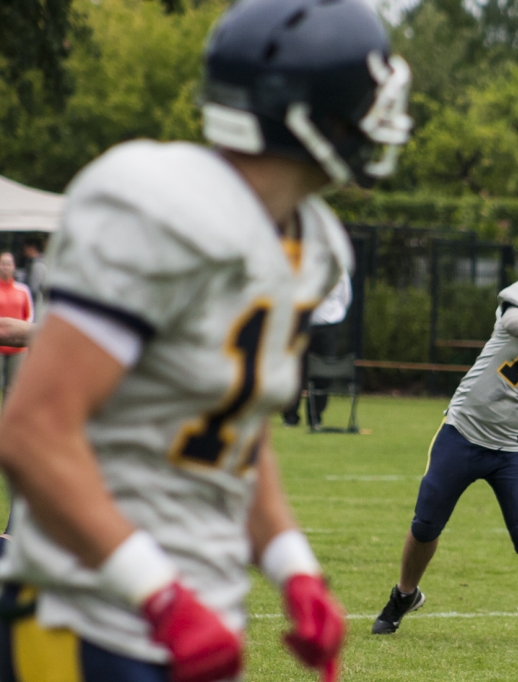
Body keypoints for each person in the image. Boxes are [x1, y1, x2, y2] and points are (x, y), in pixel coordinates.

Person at [0, 0, 413, 679]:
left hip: (199, 614)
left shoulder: (314, 243)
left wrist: (293, 568)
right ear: (308, 108)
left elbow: (237, 429)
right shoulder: (156, 203)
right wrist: (158, 596)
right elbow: (34, 433)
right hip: (82, 617)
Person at [371, 247, 518, 649]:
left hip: (516, 447)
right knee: (426, 524)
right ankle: (404, 595)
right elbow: (515, 322)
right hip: (464, 431)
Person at [282, 273, 353, 427]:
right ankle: (290, 416)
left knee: (323, 373)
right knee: (295, 371)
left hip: (328, 326)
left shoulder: (338, 269)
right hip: (300, 325)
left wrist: (334, 317)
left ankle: (315, 417)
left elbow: (345, 297)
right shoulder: (301, 262)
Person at [0, 252, 33, 400]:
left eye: (9, 263)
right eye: (3, 263)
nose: (6, 267)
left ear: (14, 266)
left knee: (13, 389)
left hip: (17, 347)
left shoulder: (23, 289)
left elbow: (30, 315)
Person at [21, 238, 48, 313]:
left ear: (32, 248)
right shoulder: (32, 263)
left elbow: (34, 288)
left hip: (35, 305)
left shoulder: (38, 265)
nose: (24, 252)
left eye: (25, 249)